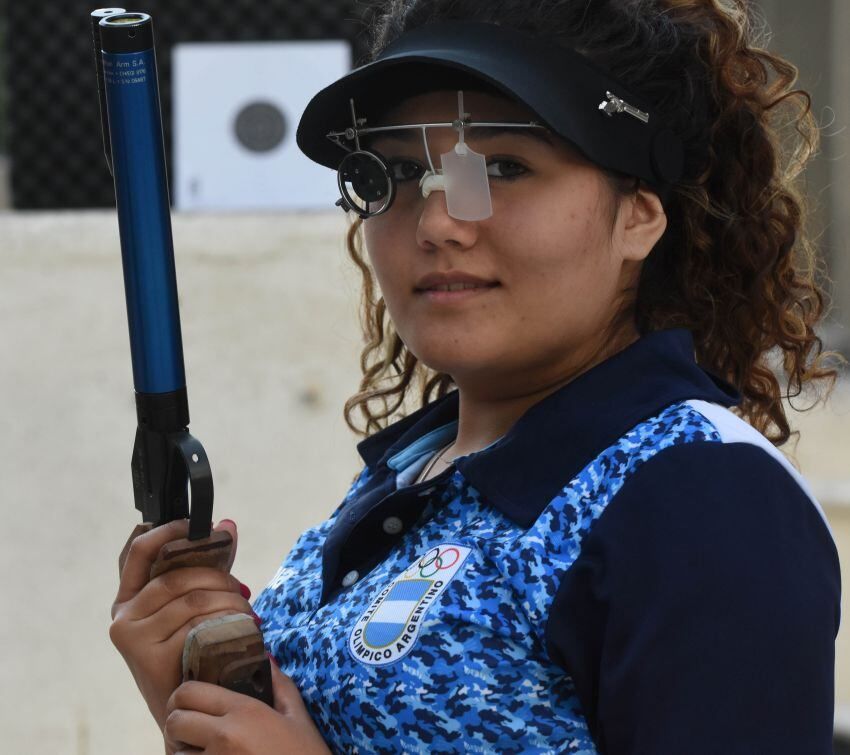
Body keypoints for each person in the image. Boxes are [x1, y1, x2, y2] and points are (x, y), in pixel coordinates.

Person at [109, 0, 842, 752]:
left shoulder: (699, 495)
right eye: (396, 172)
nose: (437, 223)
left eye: (503, 166)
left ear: (640, 215)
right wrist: (202, 691)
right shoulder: (412, 476)